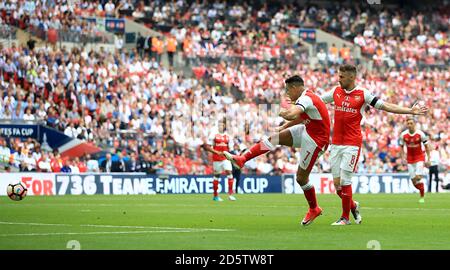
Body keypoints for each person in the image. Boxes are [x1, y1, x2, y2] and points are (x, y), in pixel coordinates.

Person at [320, 64, 428, 225]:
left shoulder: (363, 94)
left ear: (351, 77)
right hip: (335, 143)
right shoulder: (335, 91)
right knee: (337, 186)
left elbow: (385, 106)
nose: (338, 79)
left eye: (341, 76)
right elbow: (316, 101)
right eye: (338, 75)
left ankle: (345, 218)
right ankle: (353, 205)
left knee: (345, 181)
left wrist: (409, 111)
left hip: (352, 143)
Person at [224, 75, 330, 226]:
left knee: (300, 178)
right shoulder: (305, 98)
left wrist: (281, 112)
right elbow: (301, 118)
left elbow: (293, 114)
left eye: (288, 90)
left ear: (294, 88)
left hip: (317, 141)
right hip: (308, 131)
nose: (287, 94)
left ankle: (314, 208)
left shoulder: (306, 99)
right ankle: (243, 159)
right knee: (274, 138)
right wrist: (283, 127)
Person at [203, 120, 236, 202]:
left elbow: (231, 149)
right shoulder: (213, 135)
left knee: (229, 173)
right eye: (219, 125)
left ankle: (231, 195)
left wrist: (233, 158)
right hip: (216, 159)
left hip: (225, 158)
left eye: (222, 125)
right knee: (217, 176)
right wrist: (216, 152)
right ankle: (215, 196)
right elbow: (207, 147)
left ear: (224, 126)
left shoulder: (228, 136)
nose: (220, 126)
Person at [399, 118, 431, 202]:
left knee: (418, 177)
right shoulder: (403, 135)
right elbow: (401, 148)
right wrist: (402, 158)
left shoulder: (420, 134)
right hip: (409, 159)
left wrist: (428, 159)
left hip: (420, 158)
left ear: (414, 124)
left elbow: (427, 147)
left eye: (411, 123)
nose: (409, 125)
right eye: (408, 123)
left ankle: (422, 197)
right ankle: (422, 187)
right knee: (414, 181)